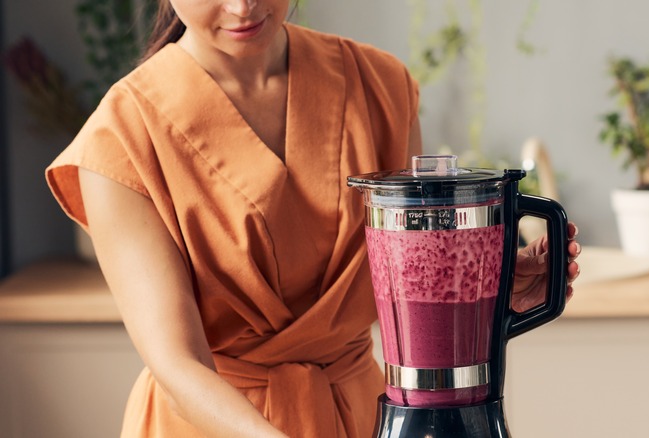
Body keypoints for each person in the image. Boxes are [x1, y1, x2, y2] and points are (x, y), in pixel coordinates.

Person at [45, 1, 581, 437]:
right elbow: (177, 364)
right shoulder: (120, 138)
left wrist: (486, 297)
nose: (242, 6)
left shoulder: (381, 86)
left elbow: (400, 287)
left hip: (366, 415)